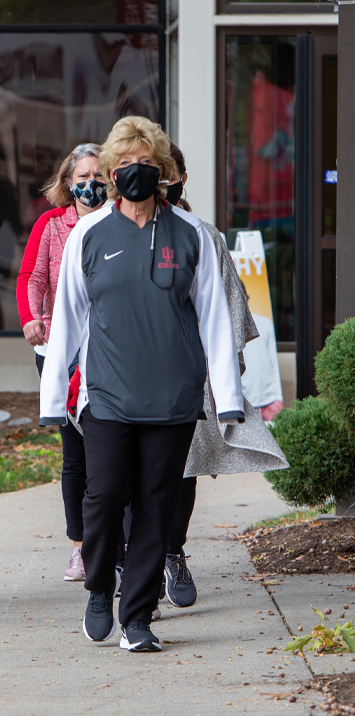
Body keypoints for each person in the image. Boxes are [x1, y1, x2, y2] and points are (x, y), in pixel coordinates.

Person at [40, 116, 244, 653]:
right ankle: (99, 585)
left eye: (147, 165)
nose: (136, 172)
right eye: (125, 165)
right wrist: (52, 398)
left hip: (173, 398)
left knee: (158, 506)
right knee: (104, 497)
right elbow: (68, 319)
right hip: (106, 395)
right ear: (109, 173)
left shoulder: (191, 234)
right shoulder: (89, 233)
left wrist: (228, 399)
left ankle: (137, 619)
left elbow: (215, 319)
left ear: (164, 172)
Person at [154, 144, 286, 614]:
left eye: (166, 172)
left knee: (183, 468)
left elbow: (229, 315)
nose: (158, 181)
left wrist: (220, 379)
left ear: (181, 178)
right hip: (128, 377)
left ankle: (172, 553)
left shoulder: (202, 237)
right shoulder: (105, 233)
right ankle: (132, 564)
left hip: (187, 377)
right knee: (126, 475)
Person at [16, 143, 106, 582]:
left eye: (98, 175)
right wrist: (32, 319)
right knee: (76, 454)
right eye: (81, 176)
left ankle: (116, 540)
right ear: (67, 183)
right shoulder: (52, 225)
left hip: (110, 350)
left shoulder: (121, 223)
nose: (90, 184)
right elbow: (31, 275)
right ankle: (80, 546)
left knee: (111, 449)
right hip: (60, 350)